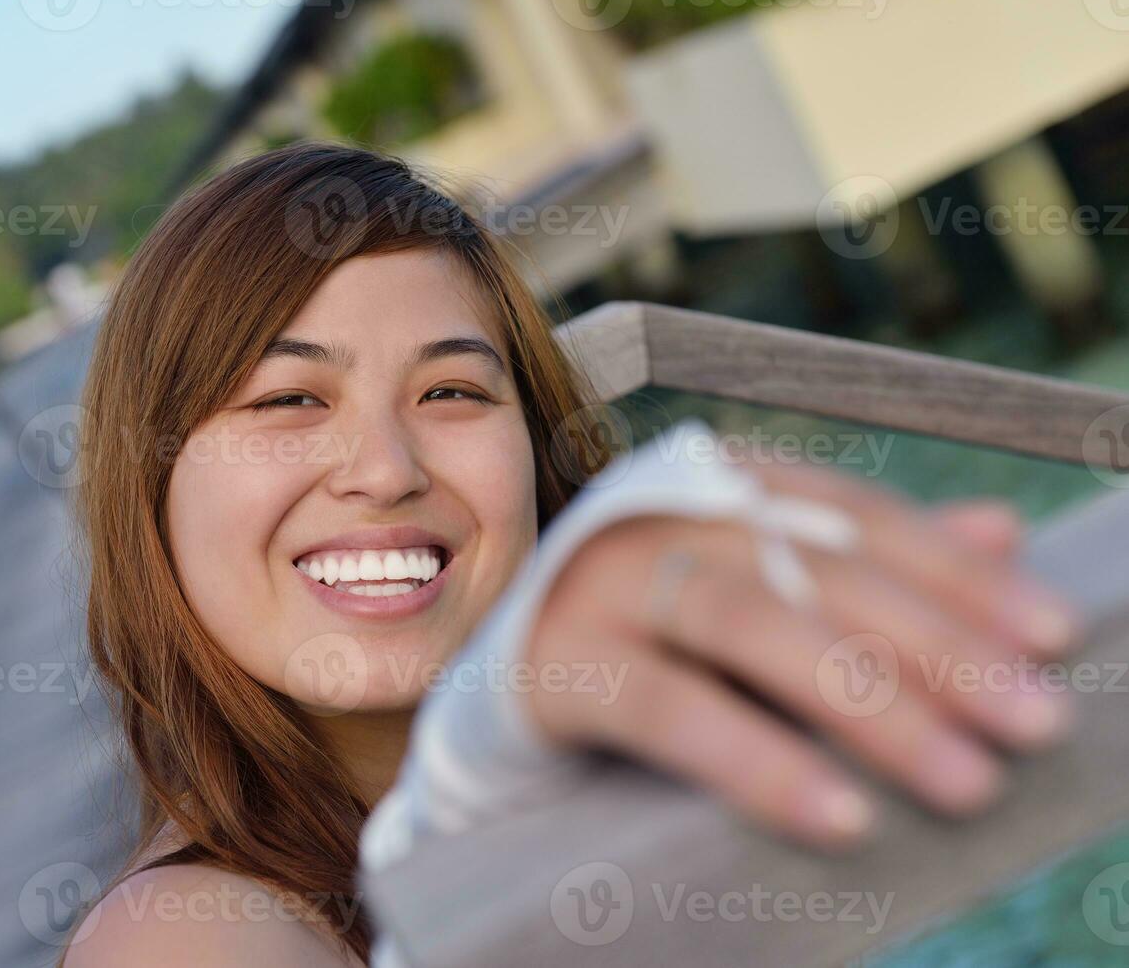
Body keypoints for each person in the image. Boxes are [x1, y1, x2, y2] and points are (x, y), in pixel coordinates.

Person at [63, 143, 1082, 967]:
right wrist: (466, 770)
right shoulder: (182, 935)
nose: (384, 468)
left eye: (451, 392)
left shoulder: (669, 760)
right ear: (149, 487)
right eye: (288, 399)